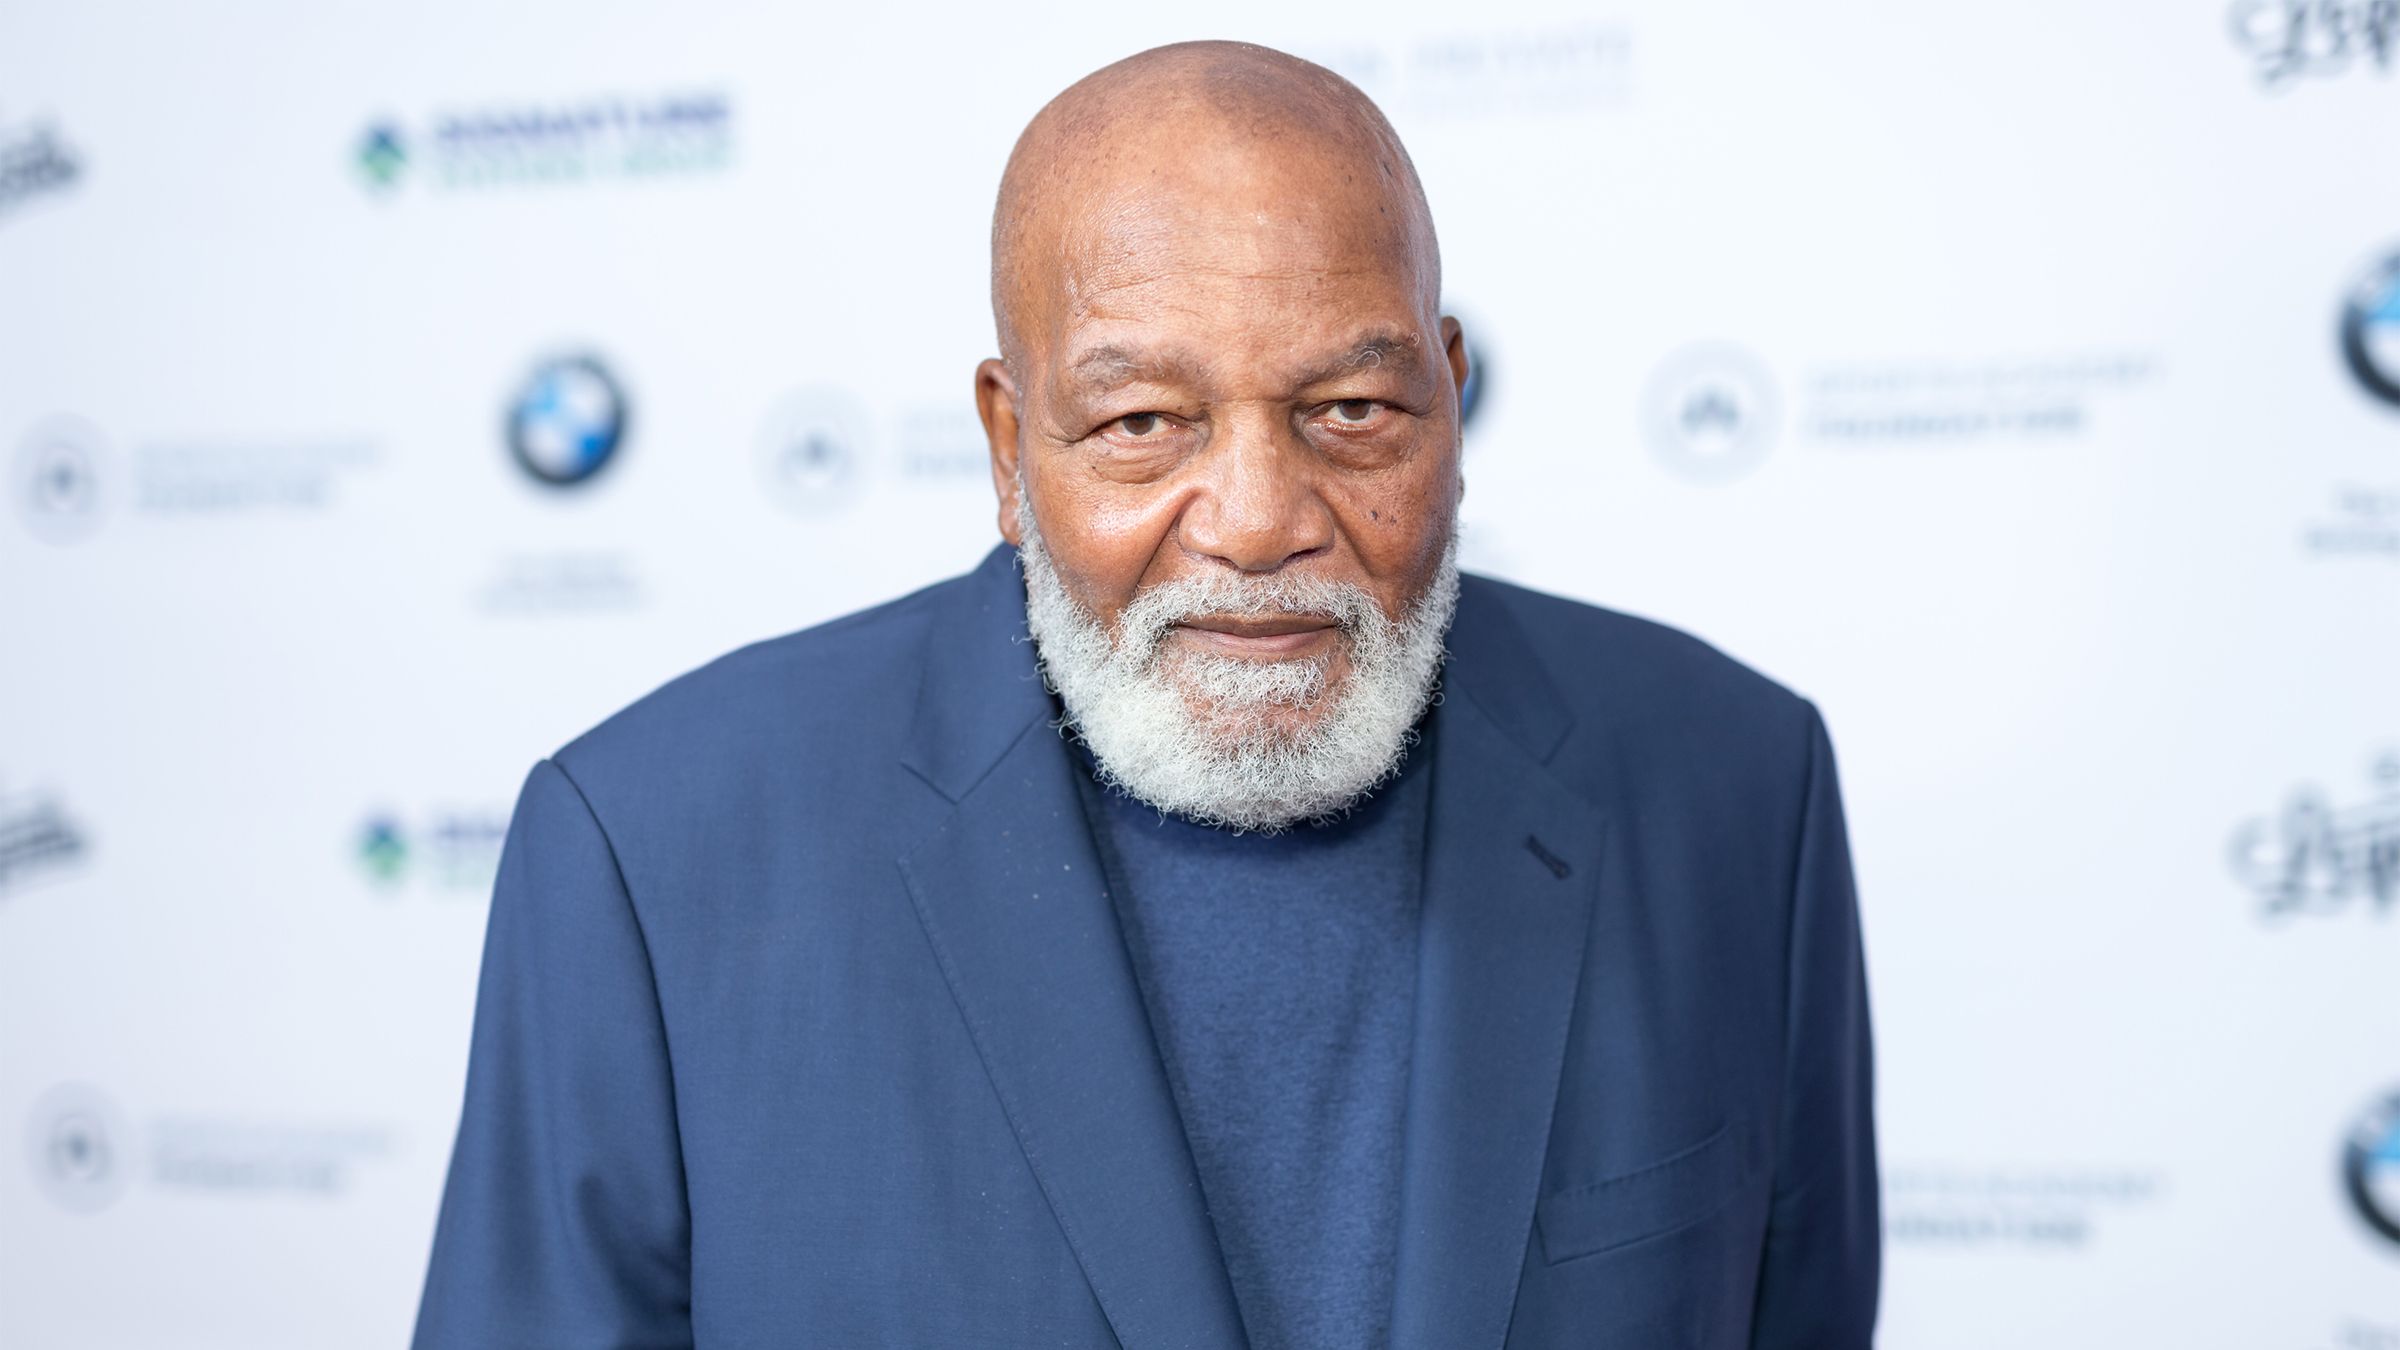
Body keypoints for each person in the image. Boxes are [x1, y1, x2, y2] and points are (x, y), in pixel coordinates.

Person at [411, 40, 1878, 1350]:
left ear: (1450, 394)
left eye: (1351, 410)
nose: (1257, 521)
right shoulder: (651, 852)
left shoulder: (1738, 783)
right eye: (1142, 422)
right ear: (1009, 449)